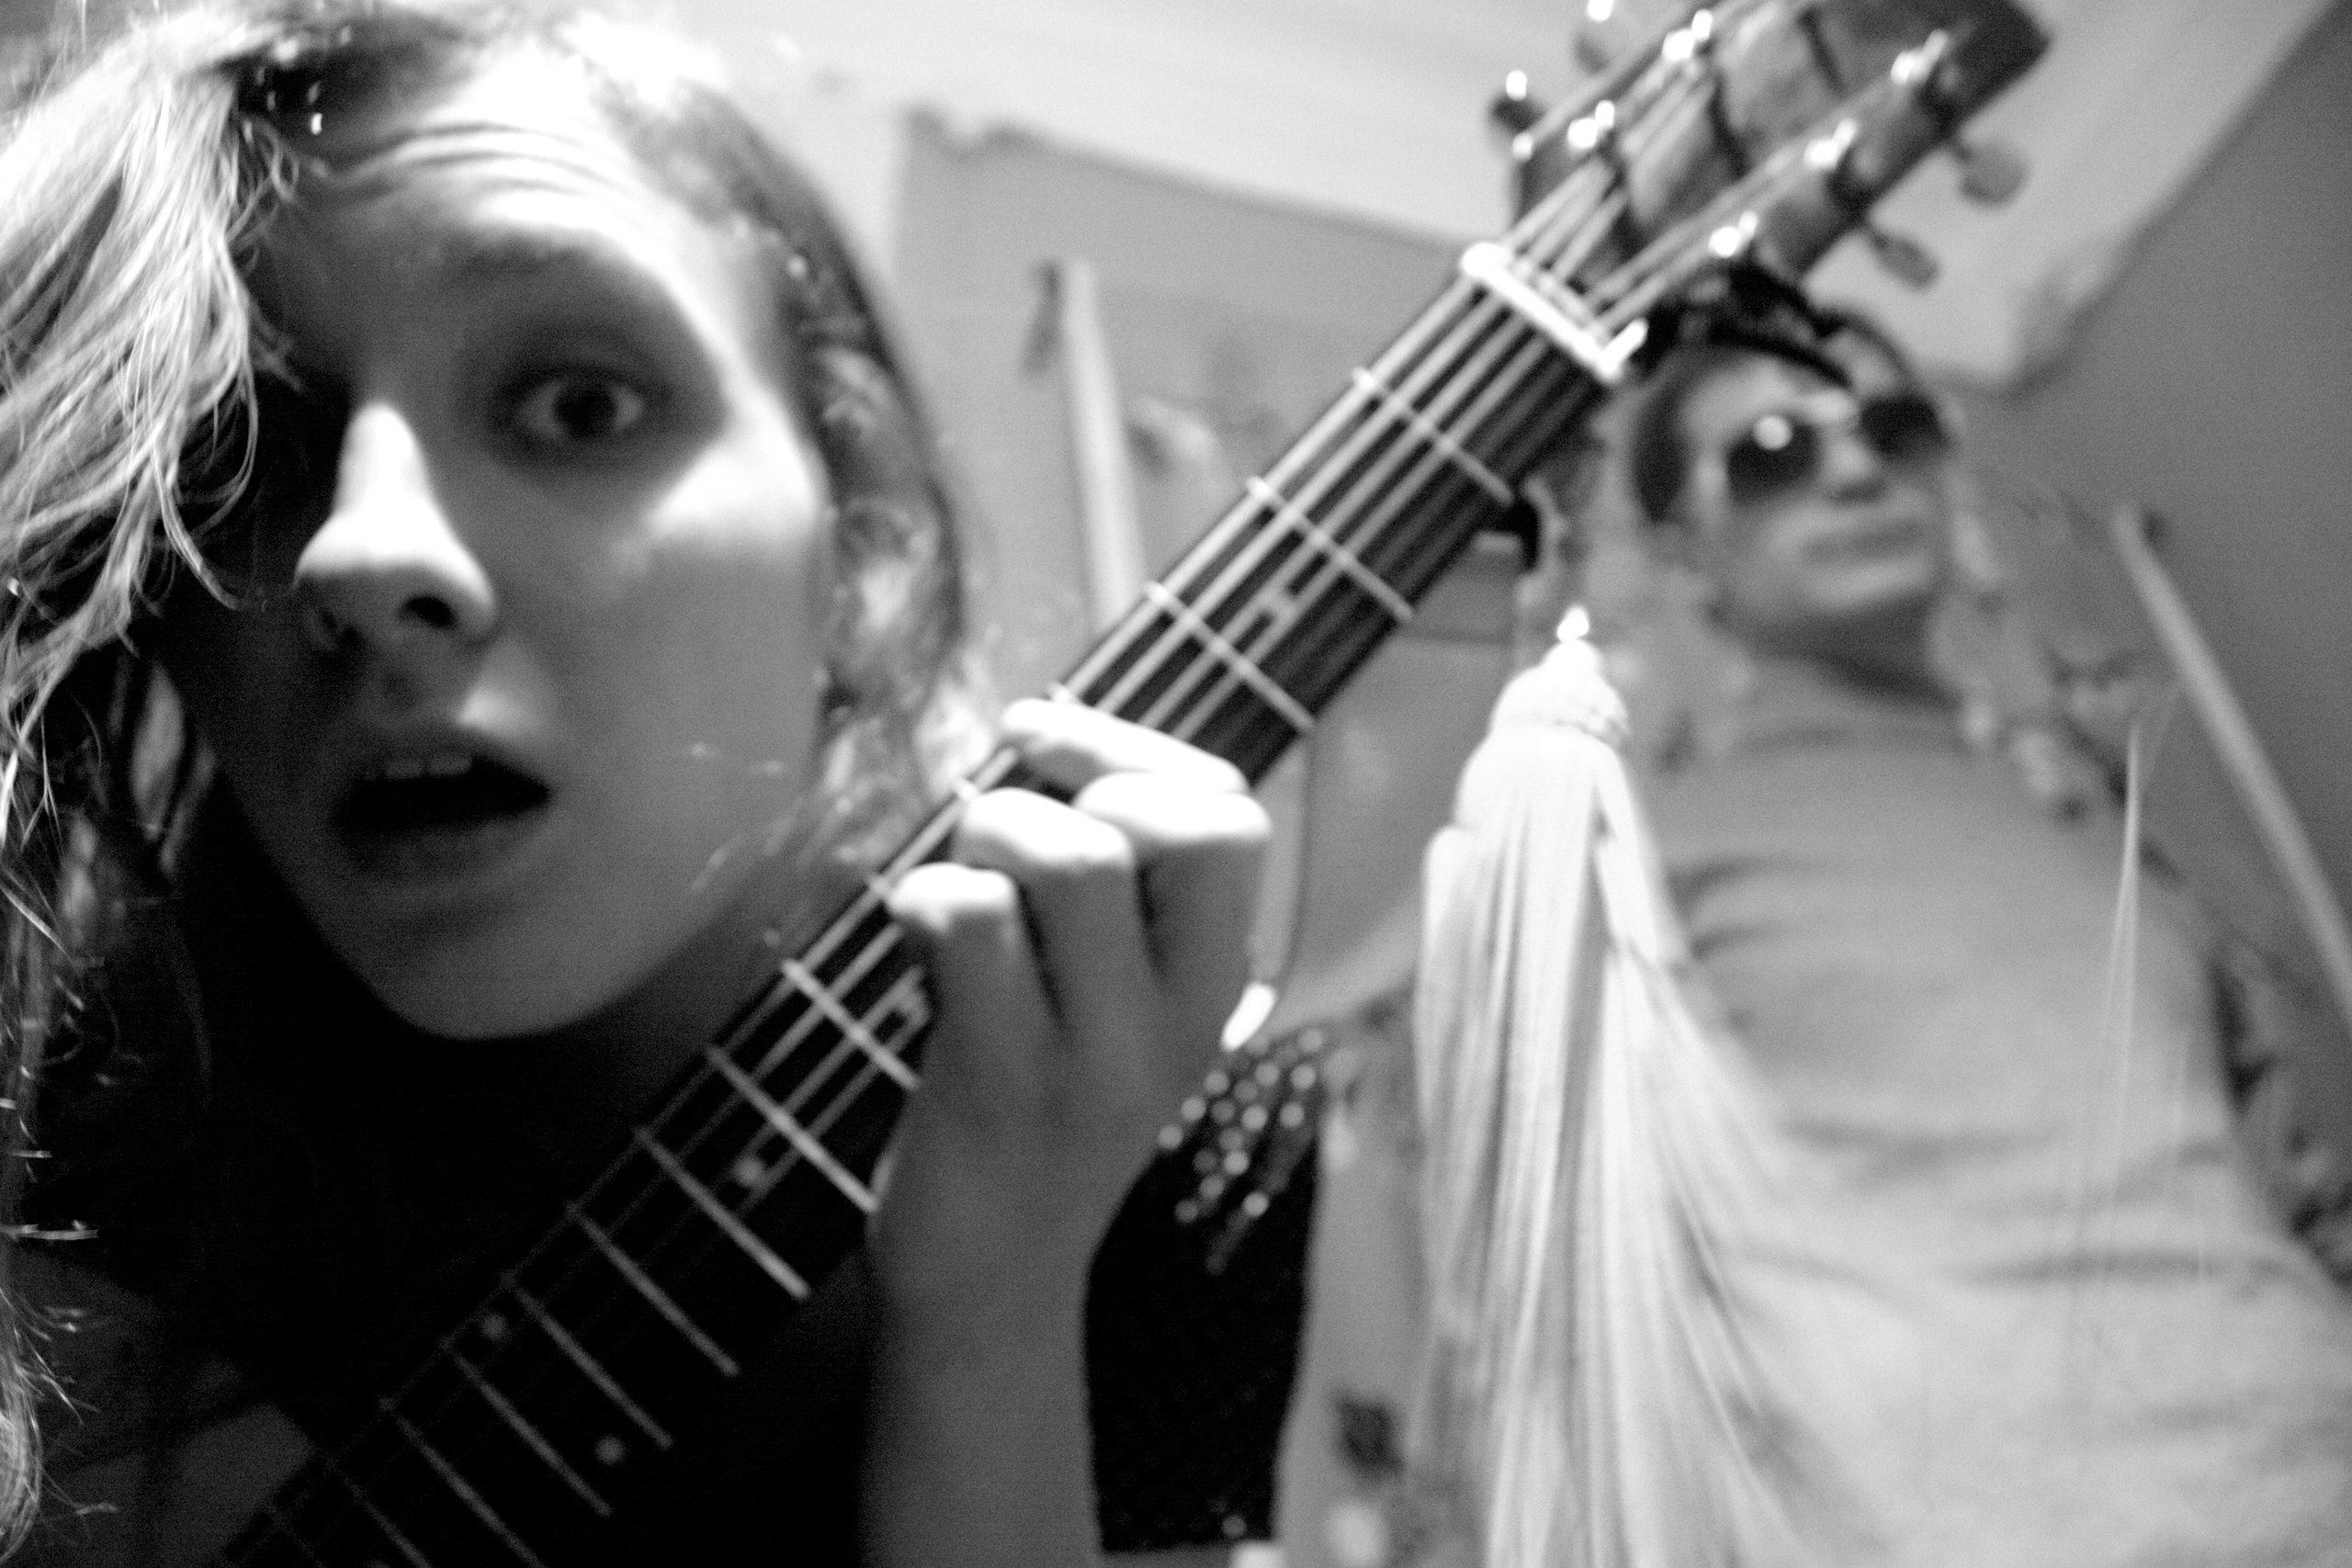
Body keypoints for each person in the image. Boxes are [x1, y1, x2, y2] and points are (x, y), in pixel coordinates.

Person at [0, 3, 1306, 1562]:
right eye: (250, 449)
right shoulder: (68, 1127)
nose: (363, 554)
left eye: (579, 405)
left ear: (867, 547)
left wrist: (996, 1309)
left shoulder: (1142, 1112)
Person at [1612, 293, 2352, 1563]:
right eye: (1775, 452)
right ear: (1687, 552)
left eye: (1892, 427)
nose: (1856, 470)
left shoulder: (2099, 825)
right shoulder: (1642, 860)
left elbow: (2290, 1190)